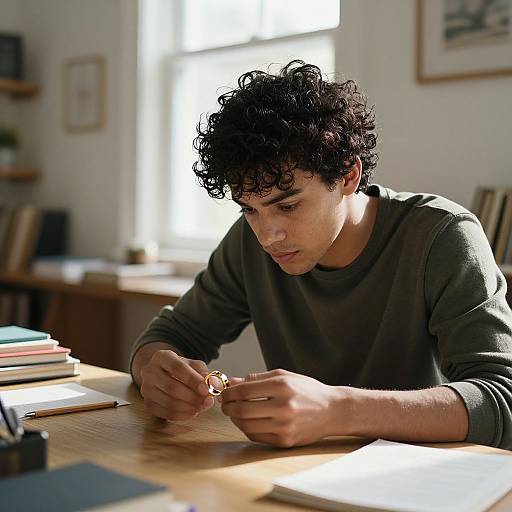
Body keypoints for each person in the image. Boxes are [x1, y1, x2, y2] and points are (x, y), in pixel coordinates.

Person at [130, 60, 512, 449]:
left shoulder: (443, 236)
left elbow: (503, 401)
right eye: (249, 209)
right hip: (297, 474)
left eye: (288, 206)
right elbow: (170, 336)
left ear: (348, 176)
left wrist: (339, 409)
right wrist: (156, 372)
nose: (268, 236)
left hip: (422, 479)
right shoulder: (248, 240)